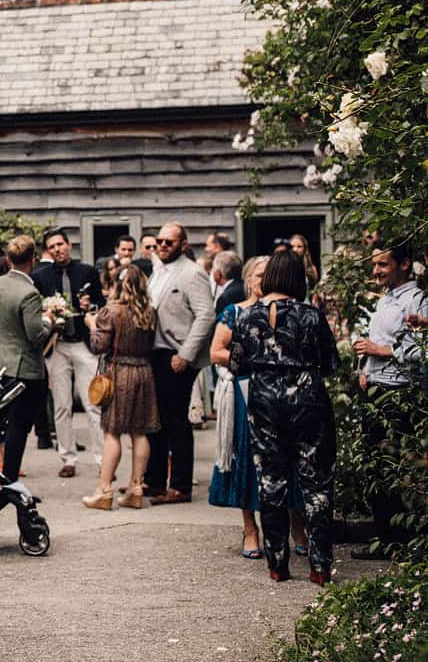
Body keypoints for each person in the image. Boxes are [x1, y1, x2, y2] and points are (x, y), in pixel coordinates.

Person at [227, 251, 340, 584]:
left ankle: (277, 563)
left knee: (270, 481)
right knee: (317, 483)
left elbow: (236, 364)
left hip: (264, 402)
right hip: (308, 401)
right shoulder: (310, 315)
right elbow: (331, 362)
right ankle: (319, 566)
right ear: (297, 279)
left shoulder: (247, 317)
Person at [351, 242, 427, 557]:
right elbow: (376, 341)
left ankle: (402, 543)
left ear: (404, 265)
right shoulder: (385, 300)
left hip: (401, 393)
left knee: (397, 468)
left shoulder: (418, 300)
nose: (377, 271)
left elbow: (423, 351)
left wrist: (380, 352)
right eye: (376, 265)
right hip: (376, 389)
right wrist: (364, 369)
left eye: (383, 265)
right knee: (376, 468)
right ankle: (385, 540)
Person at [142, 223, 218, 505]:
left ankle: (181, 486)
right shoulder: (157, 271)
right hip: (156, 353)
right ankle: (155, 481)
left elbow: (206, 316)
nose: (162, 246)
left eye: (168, 242)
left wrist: (185, 354)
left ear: (183, 244)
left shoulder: (192, 272)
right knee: (157, 420)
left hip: (177, 355)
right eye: (159, 241)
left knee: (176, 421)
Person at [82, 264, 161, 510]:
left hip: (120, 373)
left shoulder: (111, 311)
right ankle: (136, 487)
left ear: (118, 284)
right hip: (144, 372)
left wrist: (92, 325)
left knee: (112, 432)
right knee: (140, 432)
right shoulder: (149, 311)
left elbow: (99, 346)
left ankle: (103, 490)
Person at [31, 229, 106, 479]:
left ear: (69, 244)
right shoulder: (41, 276)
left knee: (93, 402)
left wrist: (90, 307)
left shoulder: (87, 272)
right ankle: (68, 457)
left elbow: (100, 306)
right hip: (58, 345)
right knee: (62, 405)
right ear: (48, 251)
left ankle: (102, 459)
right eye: (51, 246)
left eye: (60, 244)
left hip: (83, 344)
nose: (57, 250)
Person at [0, 235, 51, 484]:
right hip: (25, 368)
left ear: (9, 258)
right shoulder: (29, 293)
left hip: (0, 362)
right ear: (32, 259)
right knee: (19, 427)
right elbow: (36, 336)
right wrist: (50, 322)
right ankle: (9, 478)